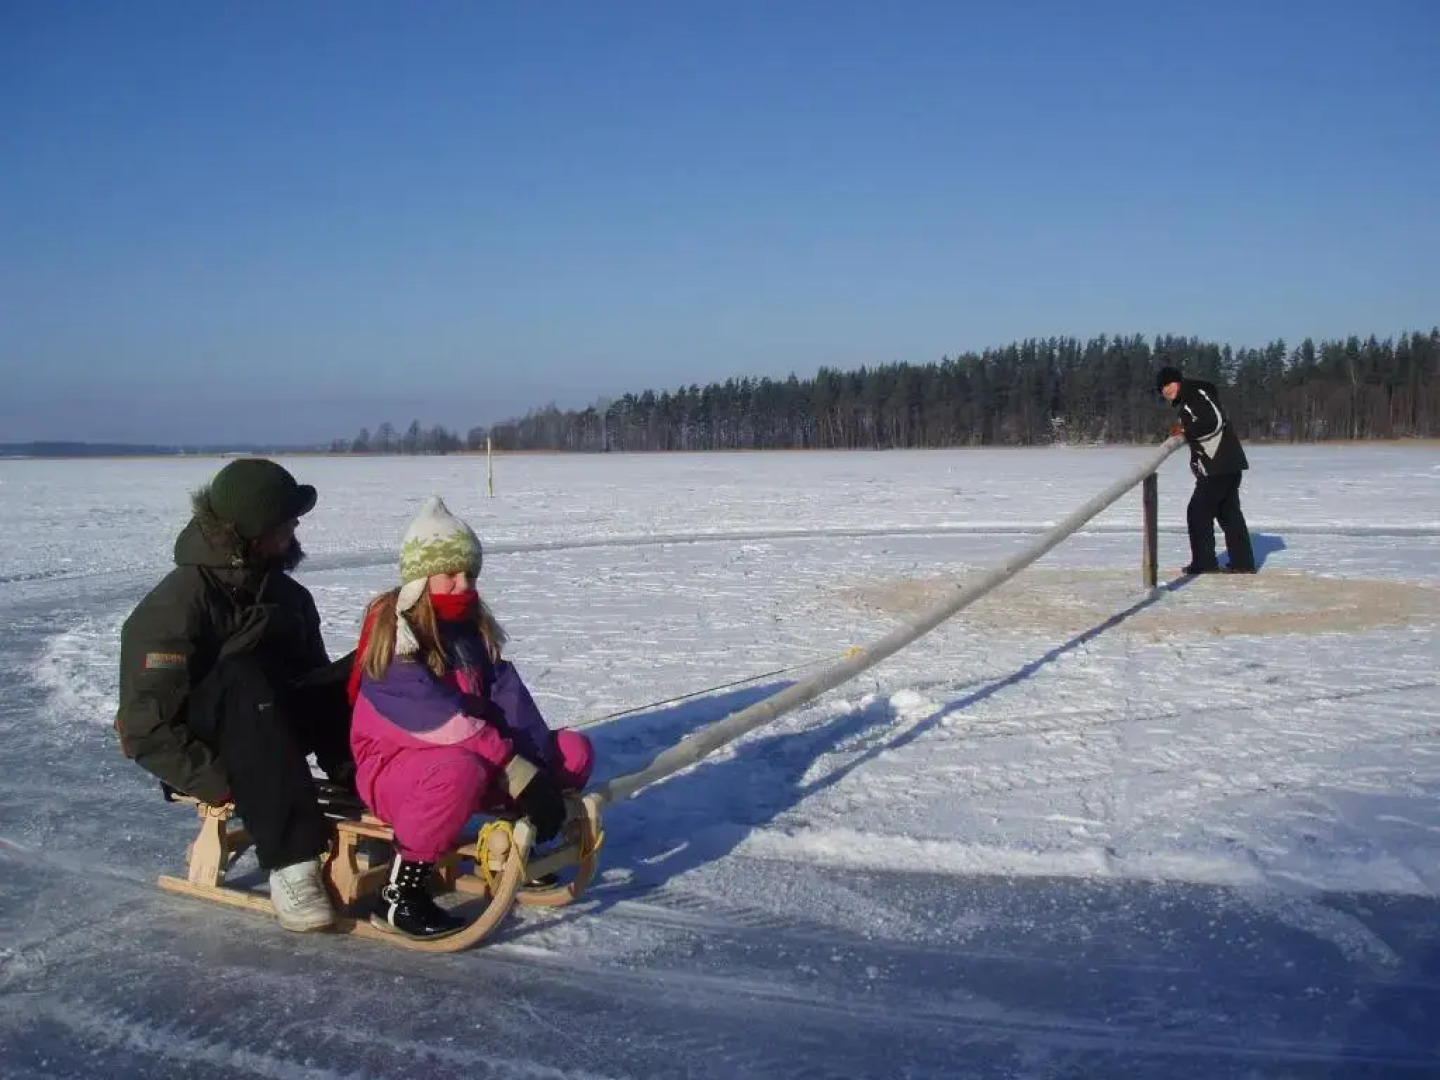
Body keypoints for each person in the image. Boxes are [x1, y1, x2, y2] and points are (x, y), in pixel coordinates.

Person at [115, 458, 356, 933]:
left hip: (269, 731)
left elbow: (318, 687)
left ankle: (372, 776)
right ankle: (292, 864)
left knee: (360, 667)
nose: (295, 527)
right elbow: (144, 728)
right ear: (253, 530)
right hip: (208, 750)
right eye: (286, 520)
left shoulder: (288, 597)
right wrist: (220, 781)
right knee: (245, 677)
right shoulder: (177, 604)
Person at [349, 496, 594, 940]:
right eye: (452, 574)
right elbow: (446, 724)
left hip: (477, 758)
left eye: (471, 575)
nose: (464, 584)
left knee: (571, 752)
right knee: (458, 770)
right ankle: (402, 894)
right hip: (396, 770)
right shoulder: (392, 645)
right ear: (422, 579)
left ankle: (525, 847)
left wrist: (539, 769)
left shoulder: (471, 634)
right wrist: (515, 770)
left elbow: (512, 707)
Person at [1156, 366, 1256, 574]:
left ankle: (1205, 562)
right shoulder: (1188, 400)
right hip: (1224, 463)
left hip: (1219, 464)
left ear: (1179, 382)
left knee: (1198, 511)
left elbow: (1214, 420)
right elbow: (1201, 434)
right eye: (1162, 389)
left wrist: (1186, 431)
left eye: (1168, 384)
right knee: (1228, 512)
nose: (1166, 390)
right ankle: (1242, 563)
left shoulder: (1195, 394)